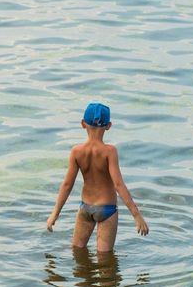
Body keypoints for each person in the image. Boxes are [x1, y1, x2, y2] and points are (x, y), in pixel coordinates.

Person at [46, 102, 150, 252]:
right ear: (108, 126)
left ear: (83, 124)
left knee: (77, 252)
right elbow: (119, 185)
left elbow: (67, 184)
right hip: (106, 210)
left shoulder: (76, 152)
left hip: (85, 208)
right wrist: (137, 215)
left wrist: (54, 214)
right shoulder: (109, 152)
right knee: (105, 261)